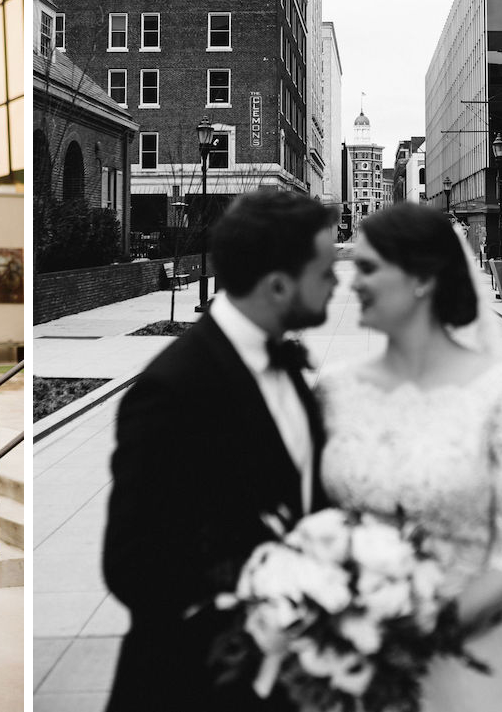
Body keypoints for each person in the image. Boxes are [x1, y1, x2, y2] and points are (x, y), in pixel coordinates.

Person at [318, 203, 502, 711]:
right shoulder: (333, 391)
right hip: (348, 666)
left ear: (421, 278)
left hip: (466, 662)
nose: (352, 283)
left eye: (367, 268)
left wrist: (430, 623)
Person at [102, 190, 340, 712]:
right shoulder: (174, 389)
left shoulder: (290, 366)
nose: (337, 282)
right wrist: (267, 600)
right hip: (196, 684)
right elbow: (133, 564)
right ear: (278, 285)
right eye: (325, 272)